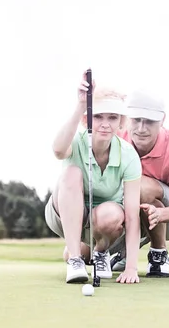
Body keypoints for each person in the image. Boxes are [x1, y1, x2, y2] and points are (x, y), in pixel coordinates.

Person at [44, 71, 143, 285]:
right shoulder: (77, 140)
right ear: (87, 118)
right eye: (98, 116)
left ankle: (99, 253)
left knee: (111, 213)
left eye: (112, 117)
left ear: (121, 123)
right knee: (71, 173)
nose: (105, 124)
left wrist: (131, 267)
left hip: (105, 221)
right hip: (64, 211)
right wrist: (81, 104)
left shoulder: (128, 155)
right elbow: (58, 151)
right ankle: (75, 260)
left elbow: (133, 215)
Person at [110, 88, 169, 277]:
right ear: (127, 118)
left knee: (141, 188)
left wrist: (161, 214)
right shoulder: (115, 138)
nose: (141, 128)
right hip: (129, 209)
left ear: (162, 121)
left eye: (149, 121)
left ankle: (159, 253)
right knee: (80, 256)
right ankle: (125, 253)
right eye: (136, 120)